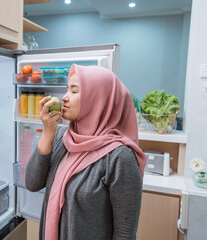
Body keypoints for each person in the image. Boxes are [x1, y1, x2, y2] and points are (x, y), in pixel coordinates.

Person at [25, 64, 147, 240]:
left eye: (74, 91)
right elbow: (32, 183)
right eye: (67, 90)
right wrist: (48, 132)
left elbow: (125, 232)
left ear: (98, 100)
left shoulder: (119, 157)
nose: (65, 98)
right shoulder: (61, 137)